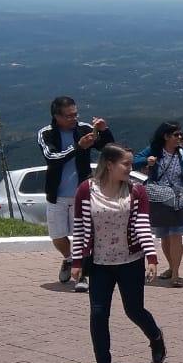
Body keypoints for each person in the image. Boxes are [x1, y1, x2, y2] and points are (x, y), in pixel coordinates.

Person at [70, 144, 165, 363]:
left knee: (134, 310)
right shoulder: (86, 190)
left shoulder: (137, 191)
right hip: (100, 263)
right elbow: (80, 228)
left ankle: (155, 335)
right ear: (109, 164)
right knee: (98, 313)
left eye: (131, 164)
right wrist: (77, 260)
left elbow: (143, 225)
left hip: (130, 261)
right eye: (126, 164)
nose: (130, 169)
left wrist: (151, 257)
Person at [39, 96, 113, 292]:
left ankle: (83, 276)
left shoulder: (84, 128)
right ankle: (69, 259)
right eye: (69, 116)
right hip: (57, 195)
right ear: (57, 116)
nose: (74, 119)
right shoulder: (46, 134)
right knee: (57, 236)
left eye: (75, 114)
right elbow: (52, 157)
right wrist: (77, 147)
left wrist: (104, 130)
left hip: (82, 194)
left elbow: (108, 148)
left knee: (83, 237)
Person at [134, 121, 183, 287]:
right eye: (176, 135)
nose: (179, 137)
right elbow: (133, 161)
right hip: (159, 199)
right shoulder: (154, 151)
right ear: (166, 136)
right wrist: (146, 161)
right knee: (164, 236)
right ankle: (171, 267)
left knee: (176, 236)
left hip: (179, 199)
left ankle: (176, 274)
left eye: (180, 134)